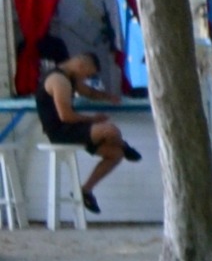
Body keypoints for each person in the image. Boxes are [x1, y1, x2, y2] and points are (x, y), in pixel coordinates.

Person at [32, 37, 137, 215]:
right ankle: (125, 146)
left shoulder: (71, 77)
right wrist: (93, 120)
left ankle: (85, 190)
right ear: (80, 65)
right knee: (110, 130)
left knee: (116, 154)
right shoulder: (58, 80)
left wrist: (108, 97)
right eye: (88, 75)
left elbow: (88, 92)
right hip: (61, 131)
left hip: (73, 129)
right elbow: (65, 116)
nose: (87, 78)